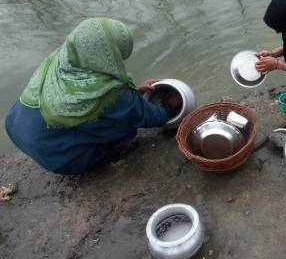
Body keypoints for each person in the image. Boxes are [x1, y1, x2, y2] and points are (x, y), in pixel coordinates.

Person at [4, 18, 177, 175]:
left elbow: (73, 98)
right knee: (126, 130)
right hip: (61, 159)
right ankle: (91, 156)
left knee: (105, 115)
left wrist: (133, 93)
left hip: (16, 124)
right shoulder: (110, 91)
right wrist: (169, 106)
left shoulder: (62, 59)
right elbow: (150, 118)